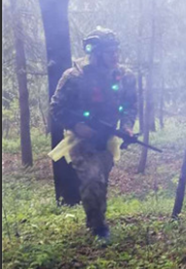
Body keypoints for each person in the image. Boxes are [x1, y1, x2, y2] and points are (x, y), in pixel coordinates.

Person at [49, 27, 137, 242]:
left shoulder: (124, 76)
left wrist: (126, 127)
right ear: (96, 53)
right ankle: (98, 228)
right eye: (110, 52)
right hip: (81, 139)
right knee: (92, 179)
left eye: (116, 50)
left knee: (101, 181)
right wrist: (76, 125)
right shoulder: (74, 77)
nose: (115, 56)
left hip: (106, 139)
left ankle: (97, 219)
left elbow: (129, 106)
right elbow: (56, 108)